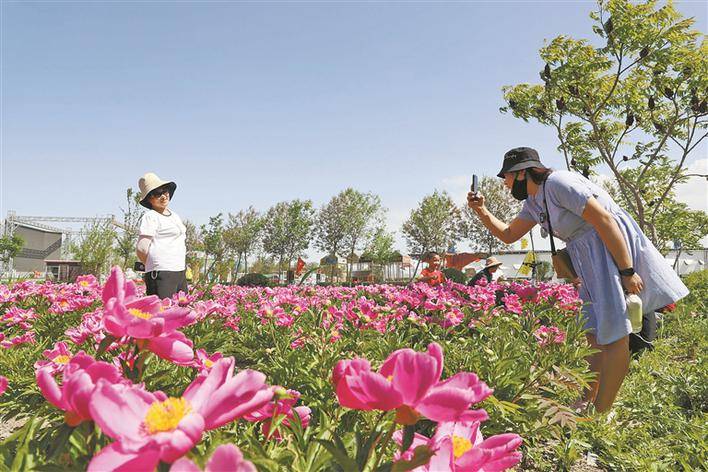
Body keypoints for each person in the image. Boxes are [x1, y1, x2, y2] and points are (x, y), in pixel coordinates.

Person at [467, 147, 689, 412]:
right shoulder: (534, 201)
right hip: (587, 258)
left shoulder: (560, 183)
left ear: (523, 172)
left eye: (507, 177)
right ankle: (586, 399)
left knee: (616, 334)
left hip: (607, 250)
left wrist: (626, 270)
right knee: (592, 335)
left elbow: (605, 220)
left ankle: (601, 412)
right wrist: (481, 211)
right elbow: (508, 234)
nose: (505, 184)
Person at [136, 172, 188, 299]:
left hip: (179, 271)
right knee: (163, 312)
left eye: (165, 191)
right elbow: (142, 249)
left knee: (182, 311)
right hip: (161, 272)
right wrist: (155, 264)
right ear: (149, 199)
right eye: (157, 193)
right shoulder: (151, 216)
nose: (163, 196)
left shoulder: (174, 215)